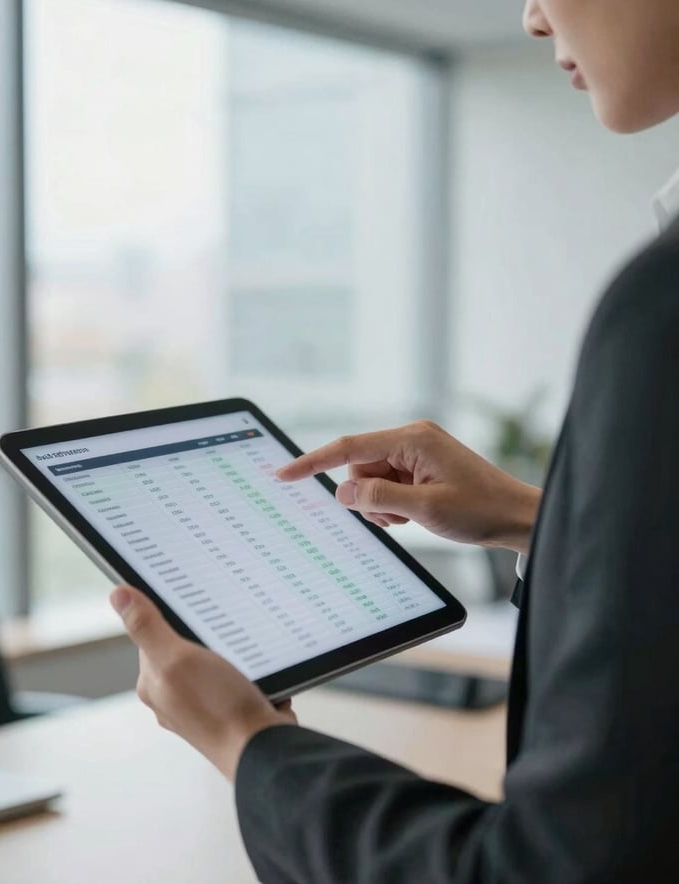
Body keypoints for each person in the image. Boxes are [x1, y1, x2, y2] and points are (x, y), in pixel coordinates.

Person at [108, 1, 679, 880]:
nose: (532, 17)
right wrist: (537, 522)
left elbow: (558, 871)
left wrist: (246, 742)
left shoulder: (663, 310)